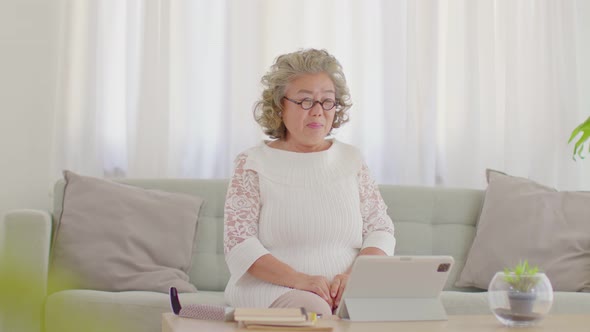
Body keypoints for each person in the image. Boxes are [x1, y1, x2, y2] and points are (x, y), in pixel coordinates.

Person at [223, 48, 395, 317]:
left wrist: (355, 278)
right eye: (305, 101)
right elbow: (240, 245)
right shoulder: (252, 163)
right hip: (274, 288)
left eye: (327, 101)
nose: (317, 111)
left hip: (346, 287)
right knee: (314, 311)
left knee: (375, 307)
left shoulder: (352, 159)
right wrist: (302, 280)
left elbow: (381, 230)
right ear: (280, 106)